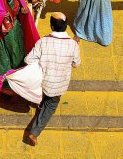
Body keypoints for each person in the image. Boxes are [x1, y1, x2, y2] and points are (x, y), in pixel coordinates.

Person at [24, 12, 81, 146]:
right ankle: (34, 132)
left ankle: (41, 103)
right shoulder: (73, 45)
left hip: (43, 82)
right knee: (50, 106)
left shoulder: (43, 41)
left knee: (45, 98)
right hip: (59, 85)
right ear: (66, 27)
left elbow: (28, 59)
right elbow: (76, 63)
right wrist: (75, 45)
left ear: (51, 26)